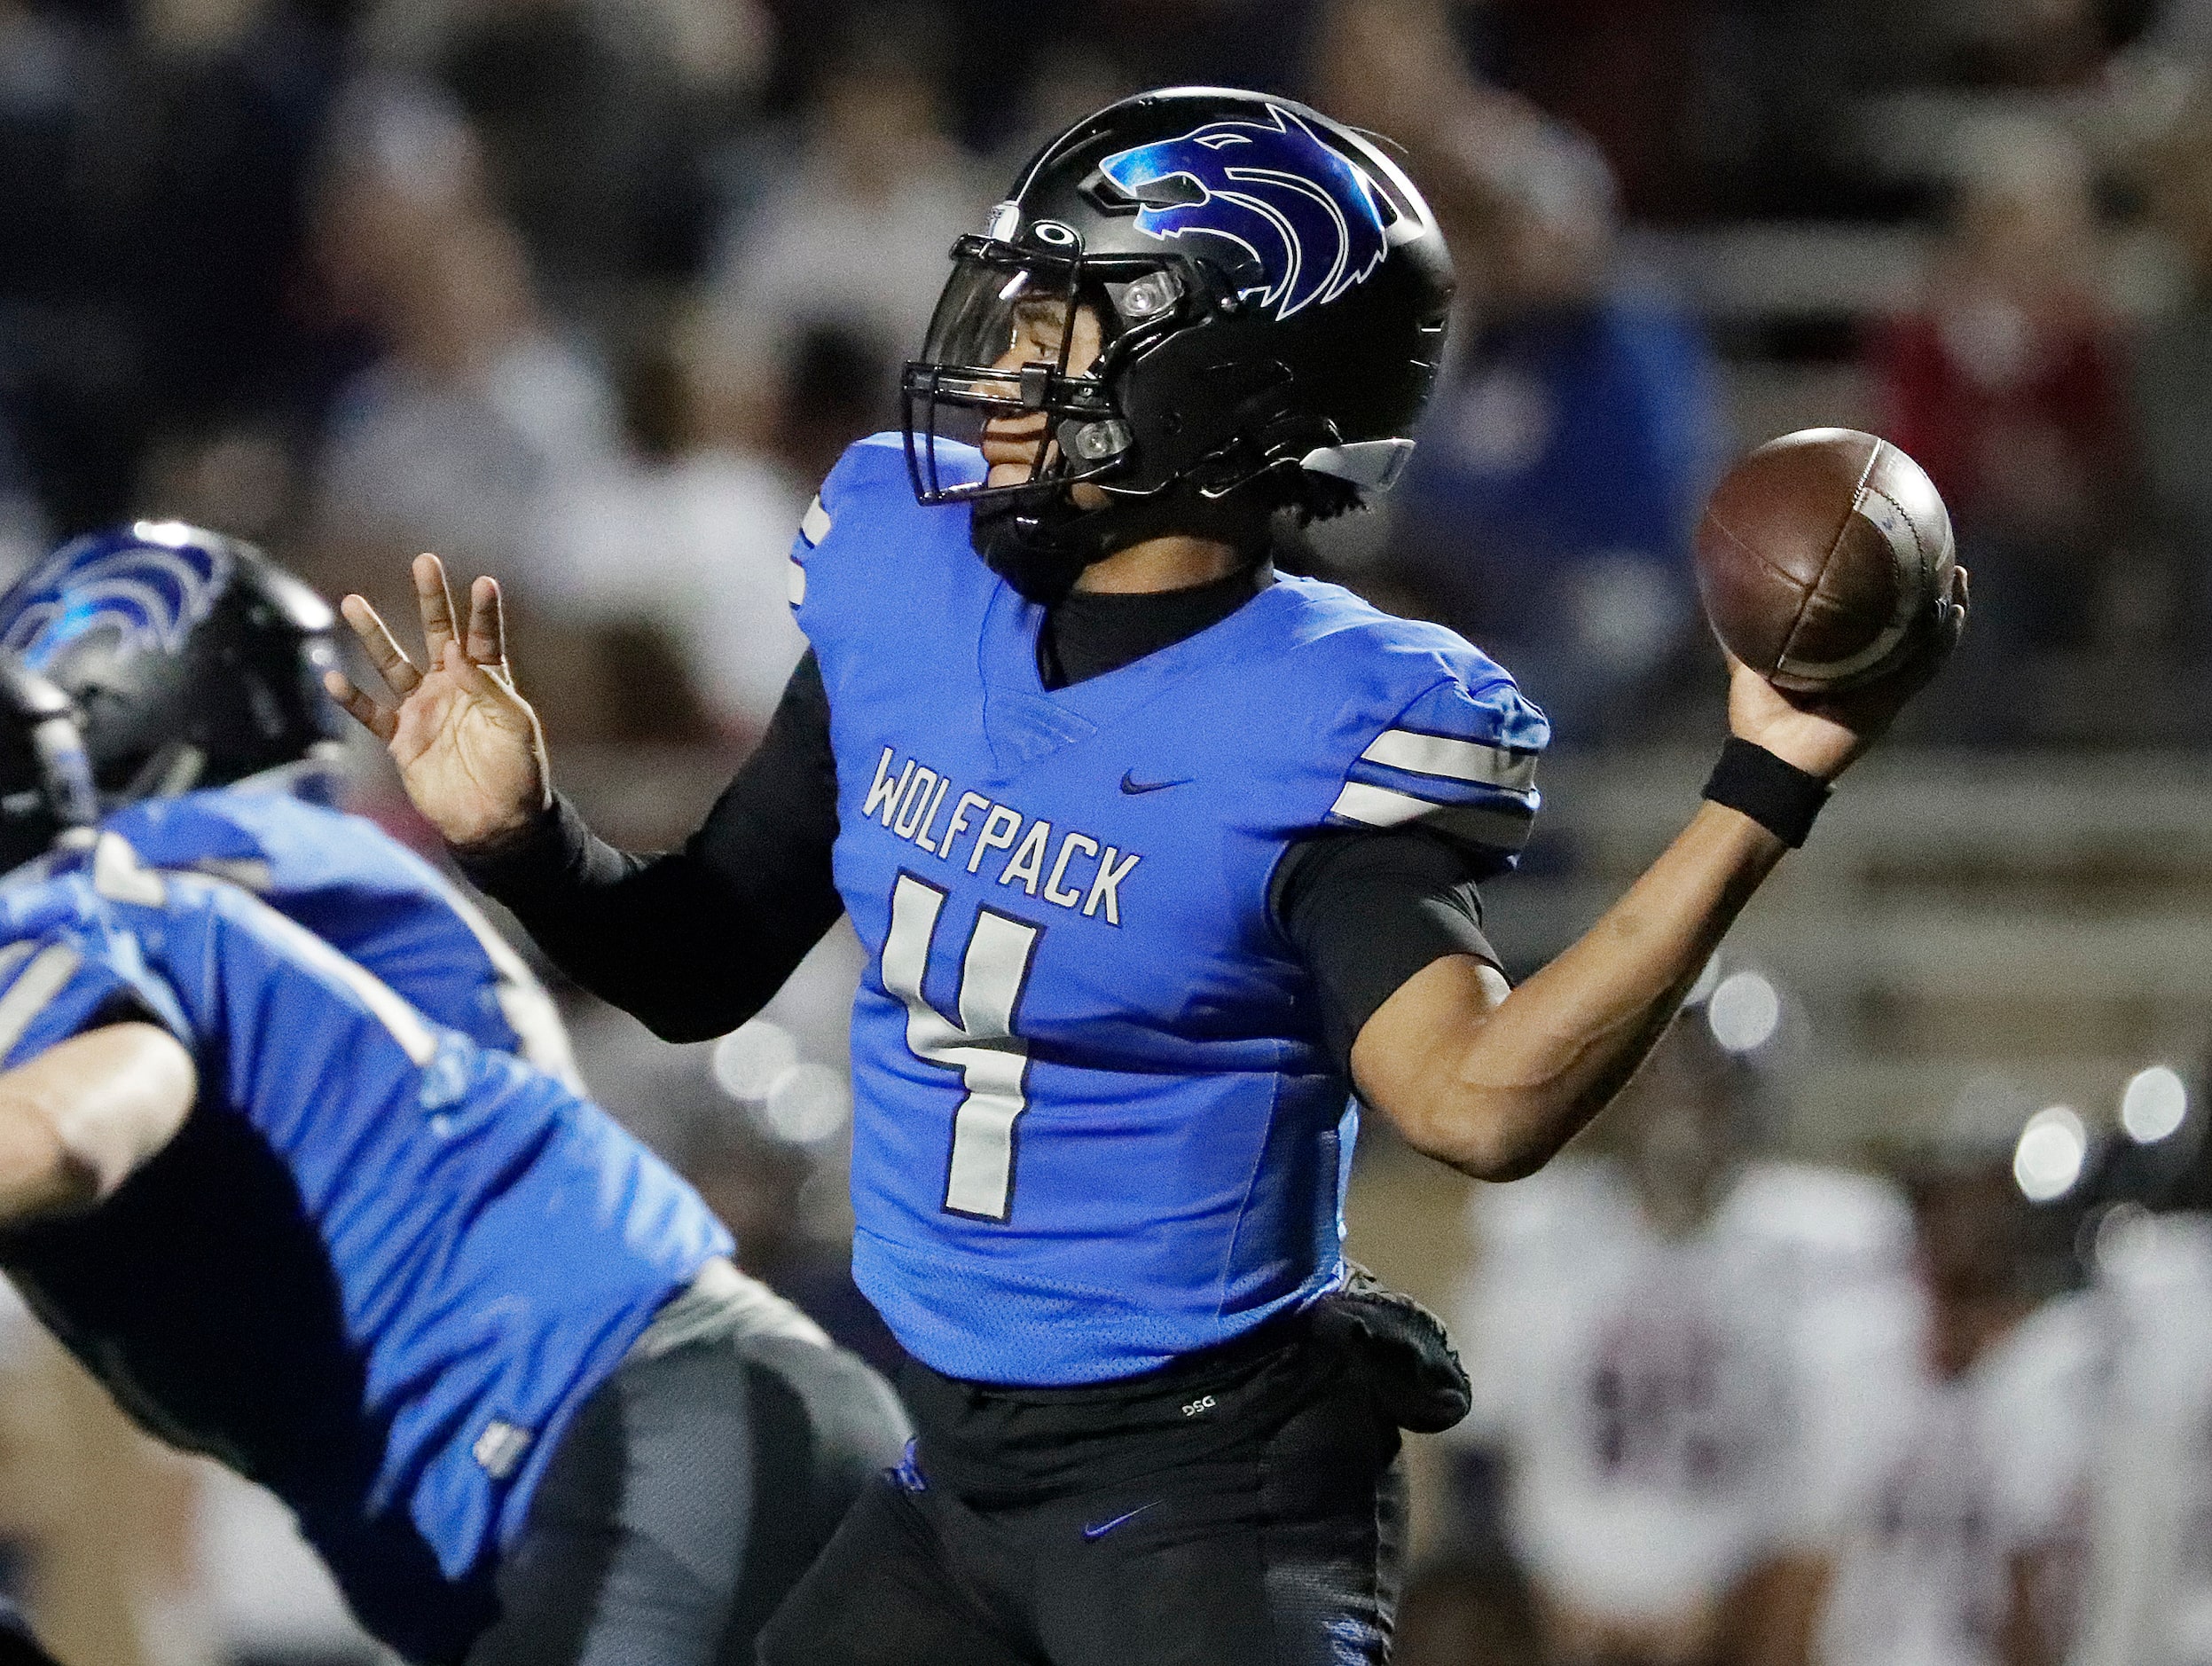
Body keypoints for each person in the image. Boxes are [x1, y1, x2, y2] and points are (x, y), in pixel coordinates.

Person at [331, 86, 1966, 1664]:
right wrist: (520, 839)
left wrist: (1758, 785)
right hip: (953, 1476)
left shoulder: (1320, 714)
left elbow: (1473, 1102)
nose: (1001, 364)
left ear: (1224, 388)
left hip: (1201, 1496)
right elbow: (698, 960)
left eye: (1067, 326)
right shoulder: (915, 583)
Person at [0, 531, 910, 1665]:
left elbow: (80, 1115)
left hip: (616, 1438)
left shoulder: (112, 898)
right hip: (641, 1440)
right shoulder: (307, 882)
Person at [1455, 1014, 1913, 1666]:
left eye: (1706, 1090)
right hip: (1561, 1608)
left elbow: (1842, 1479)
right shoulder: (1542, 1229)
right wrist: (1537, 1594)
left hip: (1741, 1622)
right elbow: (1478, 1453)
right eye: (1657, 1087)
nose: (1680, 1117)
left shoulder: (1820, 1240)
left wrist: (1741, 1604)